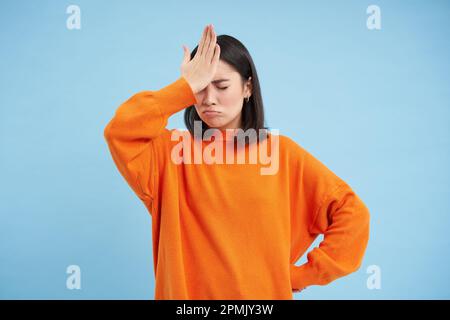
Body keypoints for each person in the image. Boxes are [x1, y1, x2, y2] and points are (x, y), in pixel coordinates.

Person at [103, 24, 370, 300]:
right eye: (200, 88)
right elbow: (120, 131)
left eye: (221, 85)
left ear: (248, 87)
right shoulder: (171, 155)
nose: (209, 99)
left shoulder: (280, 154)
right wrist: (183, 88)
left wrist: (300, 276)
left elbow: (352, 214)